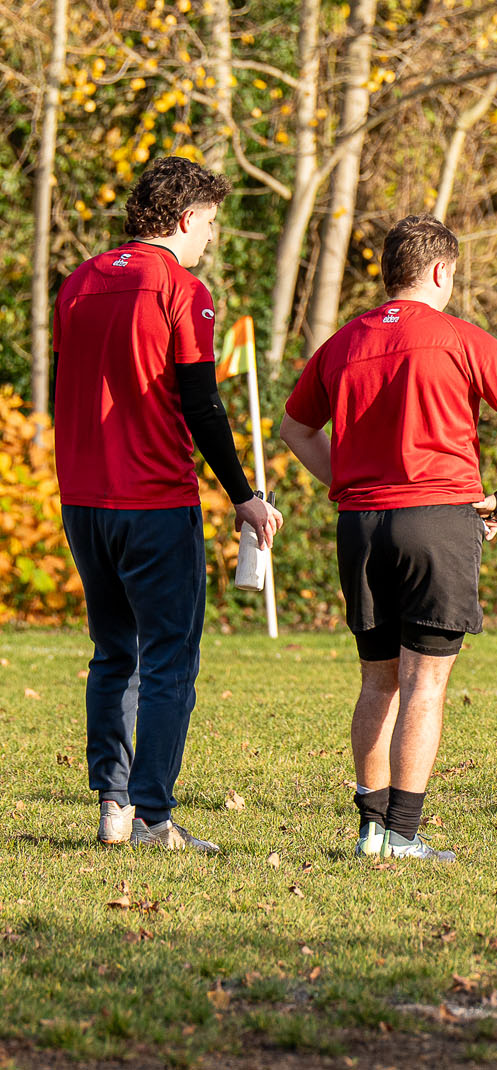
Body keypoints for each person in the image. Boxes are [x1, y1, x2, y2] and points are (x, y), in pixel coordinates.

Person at [279, 215, 497, 862]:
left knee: (377, 681)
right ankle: (404, 835)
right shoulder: (458, 336)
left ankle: (371, 831)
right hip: (437, 520)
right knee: (425, 683)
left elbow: (295, 429)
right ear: (440, 271)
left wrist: (345, 480)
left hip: (361, 526)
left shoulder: (343, 342)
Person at [53, 155, 285, 852]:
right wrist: (244, 495)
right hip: (153, 501)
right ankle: (154, 817)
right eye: (209, 223)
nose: (210, 237)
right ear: (186, 219)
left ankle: (113, 805)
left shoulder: (77, 283)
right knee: (168, 661)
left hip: (83, 502)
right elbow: (202, 404)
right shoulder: (181, 288)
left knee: (112, 654)